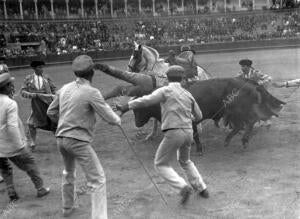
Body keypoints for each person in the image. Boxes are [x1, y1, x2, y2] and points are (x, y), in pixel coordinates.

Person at [116, 65, 209, 205]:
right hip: (189, 132)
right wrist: (188, 117)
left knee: (160, 164)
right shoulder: (188, 94)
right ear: (182, 78)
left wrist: (126, 106)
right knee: (185, 161)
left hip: (173, 132)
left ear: (167, 77)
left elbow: (146, 100)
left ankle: (182, 187)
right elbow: (199, 115)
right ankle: (202, 188)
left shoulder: (165, 90)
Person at [47, 55, 121, 218]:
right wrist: (118, 119)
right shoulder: (92, 92)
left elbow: (50, 112)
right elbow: (110, 118)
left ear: (76, 73)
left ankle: (67, 207)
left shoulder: (64, 88)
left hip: (61, 138)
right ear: (92, 73)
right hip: (77, 140)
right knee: (98, 180)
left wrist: (64, 123)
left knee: (68, 171)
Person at [0, 73, 50, 203]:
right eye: (10, 85)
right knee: (30, 163)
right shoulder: (10, 103)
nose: (12, 87)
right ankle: (40, 189)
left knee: (5, 168)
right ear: (5, 88)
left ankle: (12, 192)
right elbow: (11, 127)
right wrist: (20, 146)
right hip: (12, 144)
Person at [20, 60, 56, 152]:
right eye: (39, 67)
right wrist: (33, 95)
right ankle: (32, 142)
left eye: (42, 67)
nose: (42, 69)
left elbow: (54, 89)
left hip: (48, 103)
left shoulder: (47, 78)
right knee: (31, 123)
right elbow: (22, 92)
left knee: (54, 122)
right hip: (36, 104)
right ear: (34, 68)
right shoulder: (28, 78)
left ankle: (60, 139)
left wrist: (55, 97)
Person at [237, 59, 272, 127]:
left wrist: (259, 83)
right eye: (241, 66)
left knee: (260, 104)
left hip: (259, 92)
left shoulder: (256, 73)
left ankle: (266, 120)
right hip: (247, 94)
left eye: (243, 66)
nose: (242, 68)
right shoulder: (240, 74)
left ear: (248, 67)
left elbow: (269, 78)